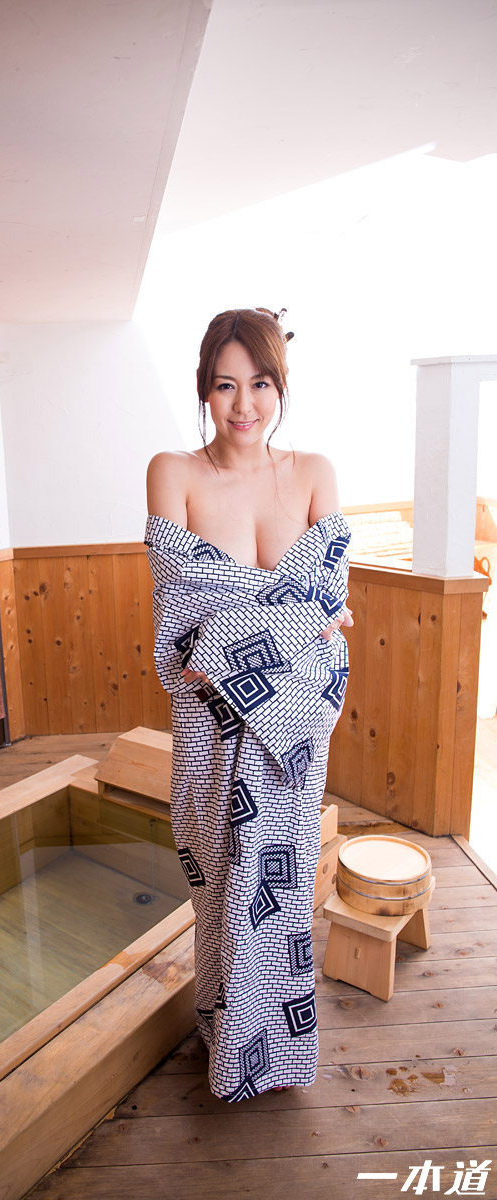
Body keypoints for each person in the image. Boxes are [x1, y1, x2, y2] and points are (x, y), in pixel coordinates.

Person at [144, 308, 353, 1101]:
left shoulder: (315, 472)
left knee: (283, 895)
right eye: (226, 385)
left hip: (293, 730)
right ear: (204, 388)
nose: (244, 404)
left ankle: (283, 1058)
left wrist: (242, 629)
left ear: (279, 387)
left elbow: (329, 615)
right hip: (209, 730)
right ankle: (226, 1047)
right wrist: (295, 620)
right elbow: (183, 630)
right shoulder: (174, 472)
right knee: (221, 893)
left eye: (260, 384)